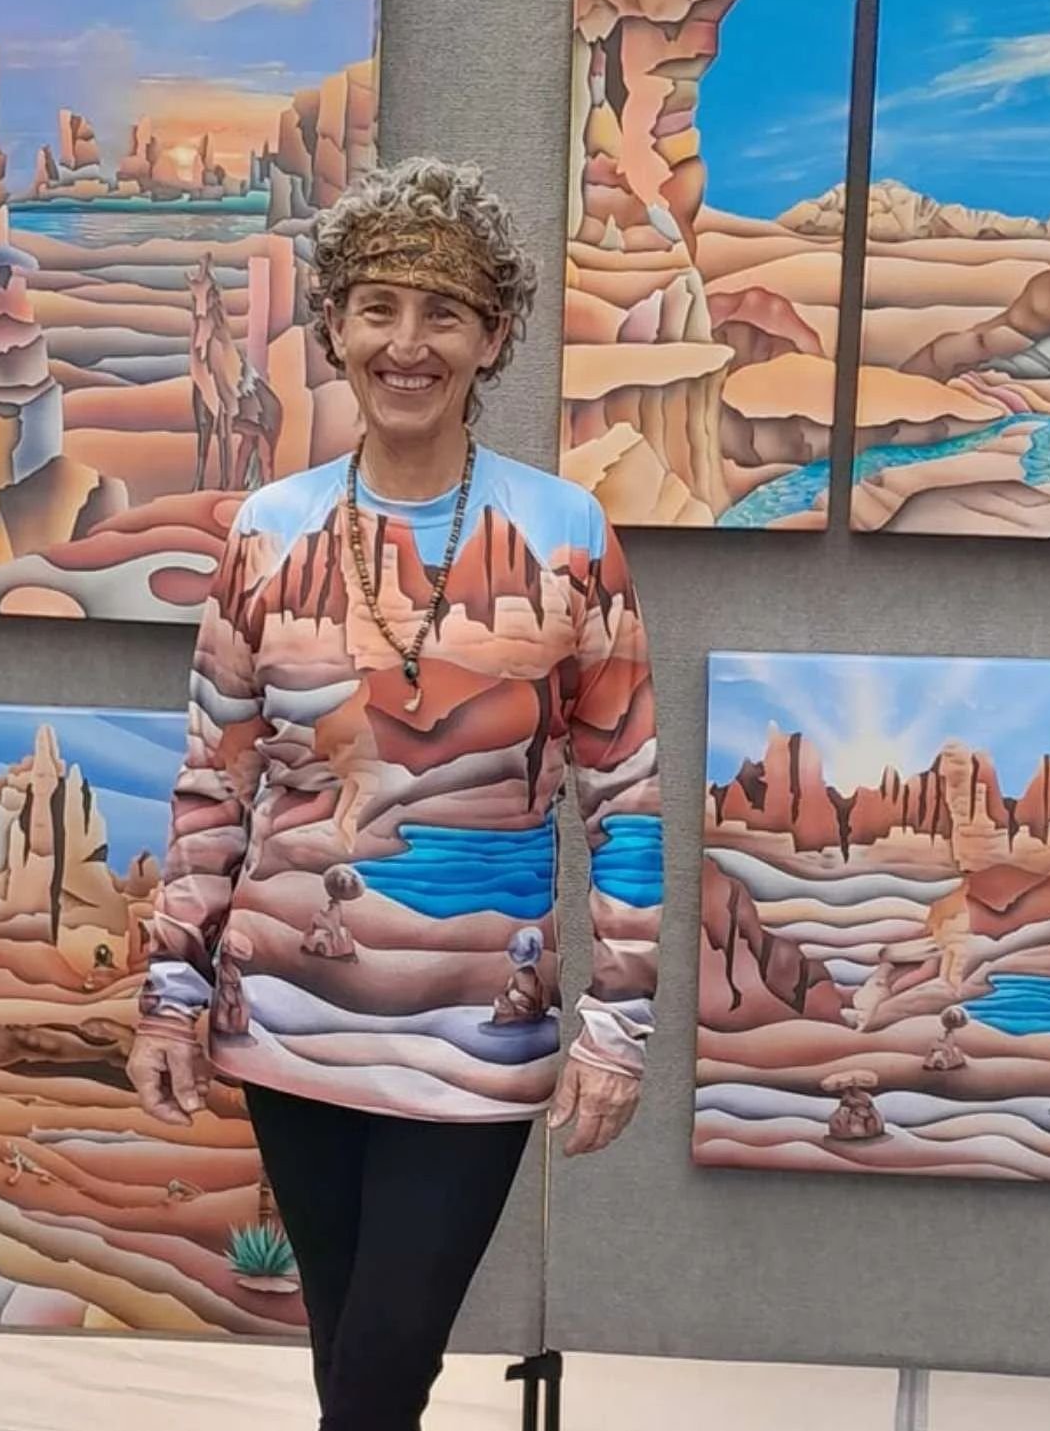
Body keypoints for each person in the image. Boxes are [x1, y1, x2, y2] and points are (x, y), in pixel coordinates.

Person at [129, 157, 663, 1430]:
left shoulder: (569, 535)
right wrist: (171, 986)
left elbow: (626, 794)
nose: (406, 344)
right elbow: (216, 778)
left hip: (481, 1023)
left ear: (494, 336)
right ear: (333, 330)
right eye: (376, 309)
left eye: (443, 314)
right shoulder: (268, 529)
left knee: (377, 1370)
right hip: (286, 1014)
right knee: (353, 1357)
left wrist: (620, 1021)